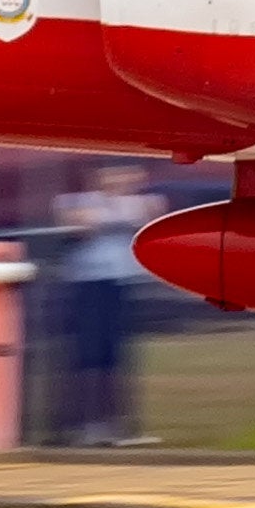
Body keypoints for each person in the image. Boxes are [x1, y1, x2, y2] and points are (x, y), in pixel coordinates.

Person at [54, 162, 168, 446]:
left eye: (129, 172)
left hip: (123, 285)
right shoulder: (72, 202)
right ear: (98, 175)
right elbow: (80, 225)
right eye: (116, 172)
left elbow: (154, 215)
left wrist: (113, 214)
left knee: (118, 357)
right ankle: (85, 425)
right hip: (90, 285)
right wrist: (115, 213)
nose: (124, 179)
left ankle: (119, 426)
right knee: (89, 355)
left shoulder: (145, 202)